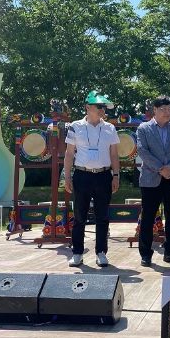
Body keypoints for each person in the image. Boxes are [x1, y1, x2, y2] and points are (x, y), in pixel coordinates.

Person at [64, 91, 120, 267]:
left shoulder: (110, 128)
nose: (103, 110)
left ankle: (101, 252)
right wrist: (67, 176)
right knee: (79, 216)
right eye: (99, 106)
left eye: (104, 107)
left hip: (103, 175)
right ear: (88, 107)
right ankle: (77, 253)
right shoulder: (75, 126)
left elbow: (114, 154)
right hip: (82, 175)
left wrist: (116, 175)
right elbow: (69, 153)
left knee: (102, 216)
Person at [136, 95, 170, 266]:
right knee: (148, 216)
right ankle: (145, 254)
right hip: (151, 178)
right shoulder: (143, 128)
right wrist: (161, 169)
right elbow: (142, 151)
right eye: (163, 109)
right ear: (155, 110)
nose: (167, 112)